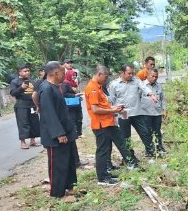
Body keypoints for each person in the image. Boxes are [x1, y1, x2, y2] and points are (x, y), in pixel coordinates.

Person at [85, 65, 138, 186]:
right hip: (101, 125)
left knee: (121, 142)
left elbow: (103, 106)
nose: (106, 79)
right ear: (99, 74)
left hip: (108, 123)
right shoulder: (92, 88)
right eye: (106, 76)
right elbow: (95, 109)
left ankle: (127, 165)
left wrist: (114, 108)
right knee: (103, 150)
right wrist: (113, 111)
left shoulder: (99, 87)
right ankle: (102, 178)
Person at [37, 62, 78, 198]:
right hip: (55, 135)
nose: (64, 75)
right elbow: (49, 113)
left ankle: (70, 186)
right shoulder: (46, 88)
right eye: (62, 72)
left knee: (69, 160)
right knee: (58, 163)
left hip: (66, 130)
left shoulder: (55, 87)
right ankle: (57, 192)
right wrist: (59, 133)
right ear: (55, 73)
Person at [108, 64, 158, 158]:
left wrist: (151, 94)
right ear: (122, 73)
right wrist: (113, 112)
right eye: (129, 73)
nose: (131, 75)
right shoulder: (114, 84)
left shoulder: (136, 80)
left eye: (132, 73)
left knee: (145, 133)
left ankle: (151, 152)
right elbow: (111, 100)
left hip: (136, 112)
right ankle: (129, 157)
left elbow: (144, 88)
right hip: (124, 114)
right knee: (126, 137)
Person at [10, 65, 41, 149]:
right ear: (19, 72)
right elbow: (13, 93)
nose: (27, 72)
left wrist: (38, 105)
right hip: (21, 106)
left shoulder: (32, 81)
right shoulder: (15, 82)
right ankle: (23, 142)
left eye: (28, 71)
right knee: (23, 123)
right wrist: (21, 88)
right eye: (25, 71)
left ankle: (32, 141)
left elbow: (36, 93)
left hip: (32, 105)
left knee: (34, 122)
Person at [142, 68, 167, 156]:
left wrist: (164, 110)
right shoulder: (142, 86)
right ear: (147, 75)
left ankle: (159, 147)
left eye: (156, 76)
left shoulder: (159, 86)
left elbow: (163, 99)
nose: (154, 78)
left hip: (157, 113)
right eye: (152, 76)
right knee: (147, 132)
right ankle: (149, 150)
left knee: (157, 131)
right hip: (146, 113)